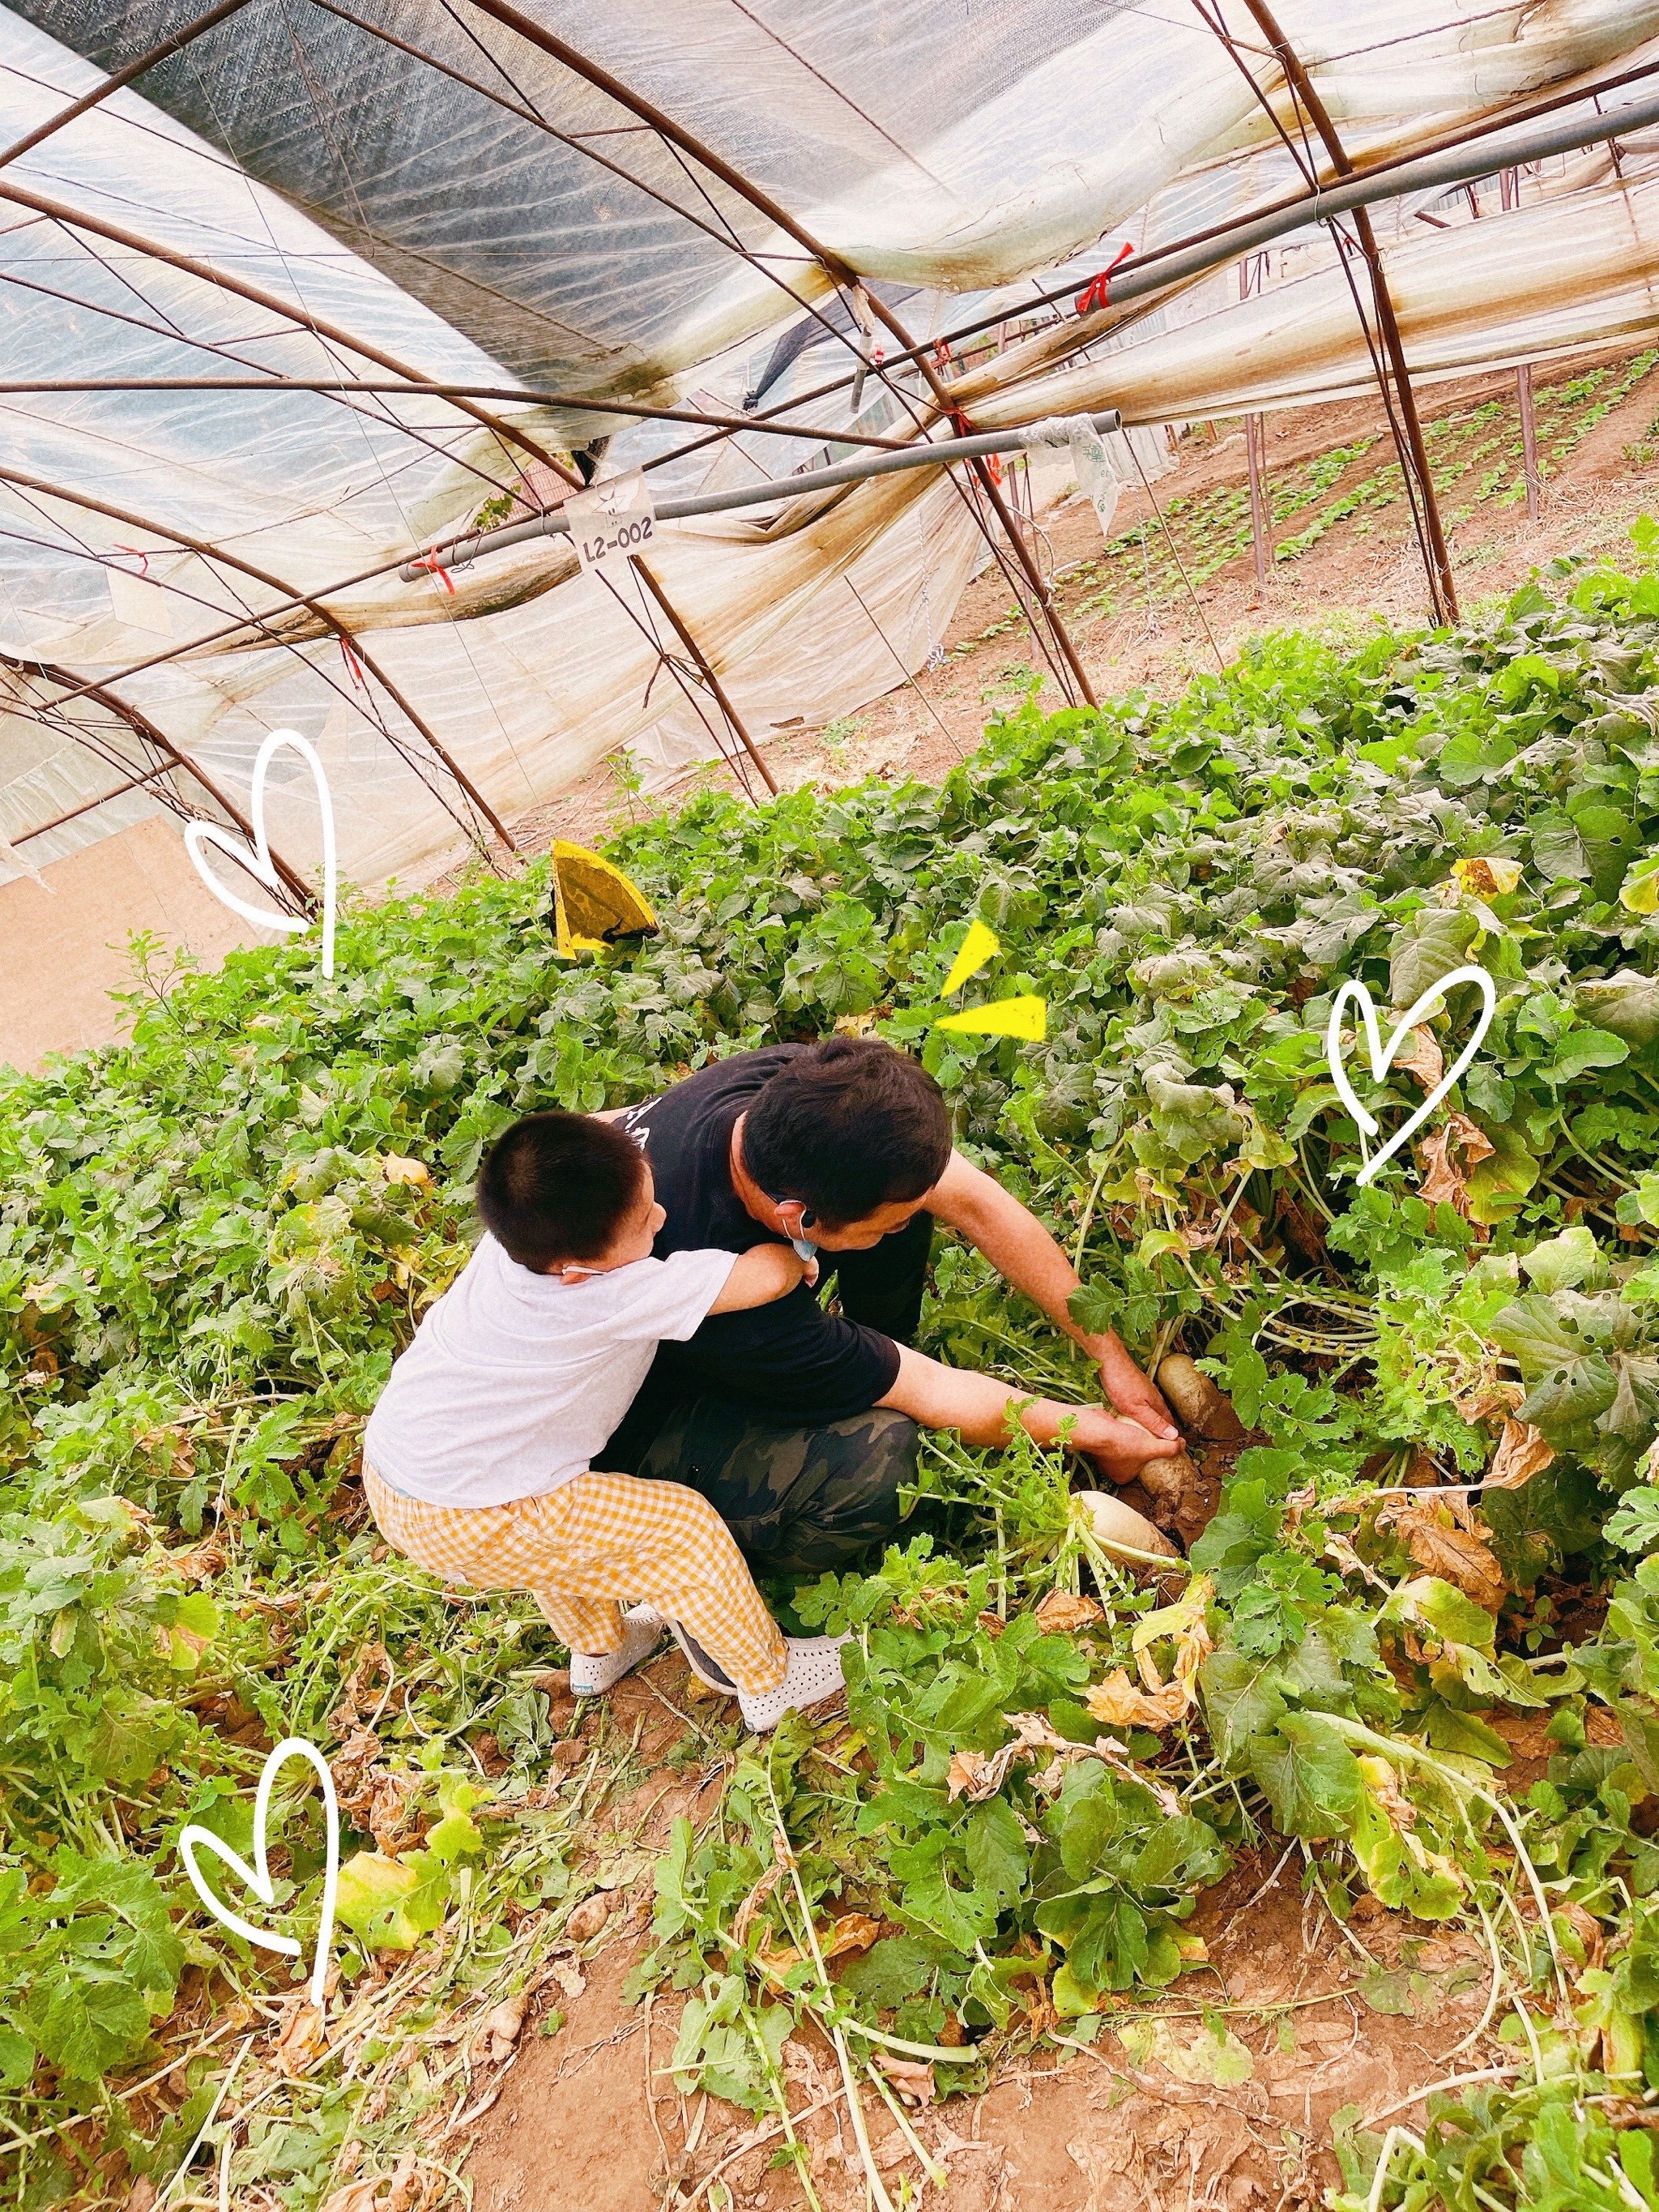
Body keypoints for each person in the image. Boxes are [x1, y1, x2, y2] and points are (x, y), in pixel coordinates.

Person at [599, 1036, 1182, 1575]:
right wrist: (1102, 1435)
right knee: (878, 1460)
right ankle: (679, 1563)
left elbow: (976, 1204)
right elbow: (931, 1391)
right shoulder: (734, 1302)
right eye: (885, 1223)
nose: (906, 1226)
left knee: (899, 1208)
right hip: (625, 1431)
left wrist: (1109, 1355)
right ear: (799, 1217)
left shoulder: (803, 1092)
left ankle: (871, 1345)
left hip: (697, 1301)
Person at [360, 1109, 848, 1728]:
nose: (663, 1217)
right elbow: (764, 1276)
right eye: (645, 1222)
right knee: (682, 1532)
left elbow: (590, 1128)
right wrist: (795, 1251)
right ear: (575, 1271)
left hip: (403, 1465)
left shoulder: (517, 1240)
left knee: (556, 1549)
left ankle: (602, 1650)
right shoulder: (606, 1295)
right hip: (466, 1510)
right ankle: (770, 1682)